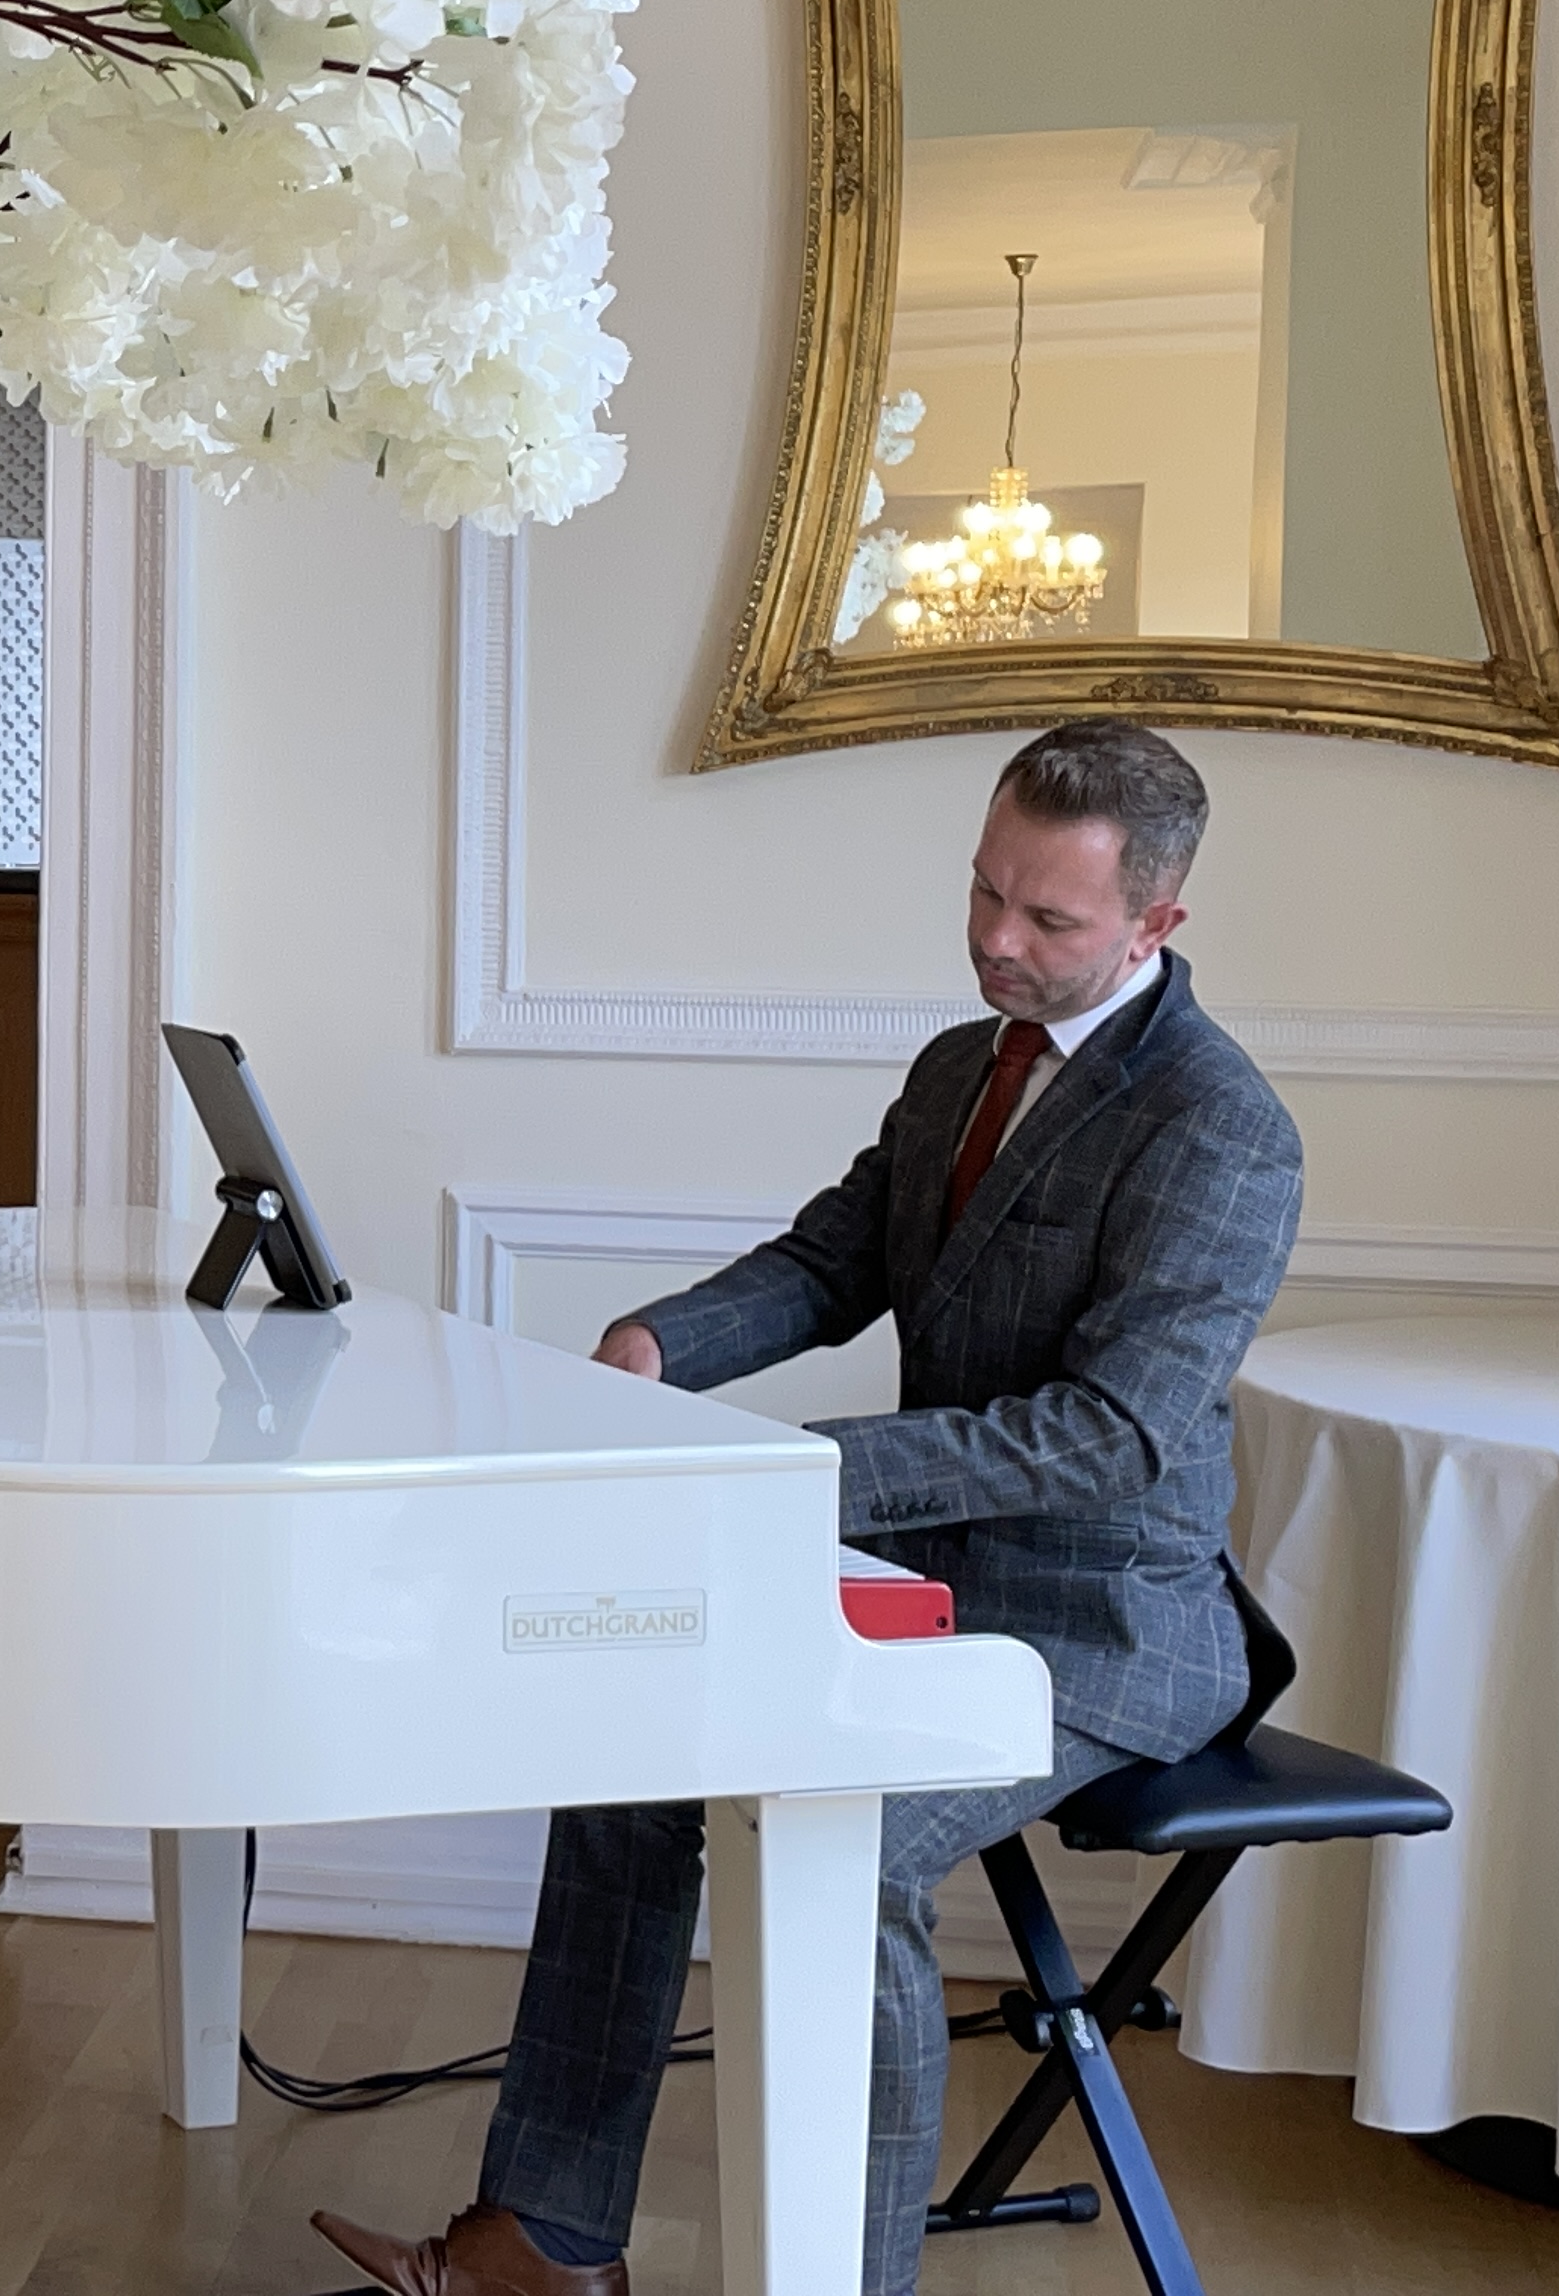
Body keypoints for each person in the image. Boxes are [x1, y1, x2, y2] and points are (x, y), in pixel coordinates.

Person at [313, 719, 1302, 2296]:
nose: (994, 938)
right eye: (984, 891)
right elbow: (836, 1263)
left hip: (1106, 1628)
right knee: (630, 1761)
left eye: (1047, 919)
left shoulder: (1220, 1129)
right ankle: (539, 2254)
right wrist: (662, 1346)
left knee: (855, 1851)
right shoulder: (960, 1066)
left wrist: (801, 1469)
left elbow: (1111, 1436)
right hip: (922, 1589)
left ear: (1156, 924)